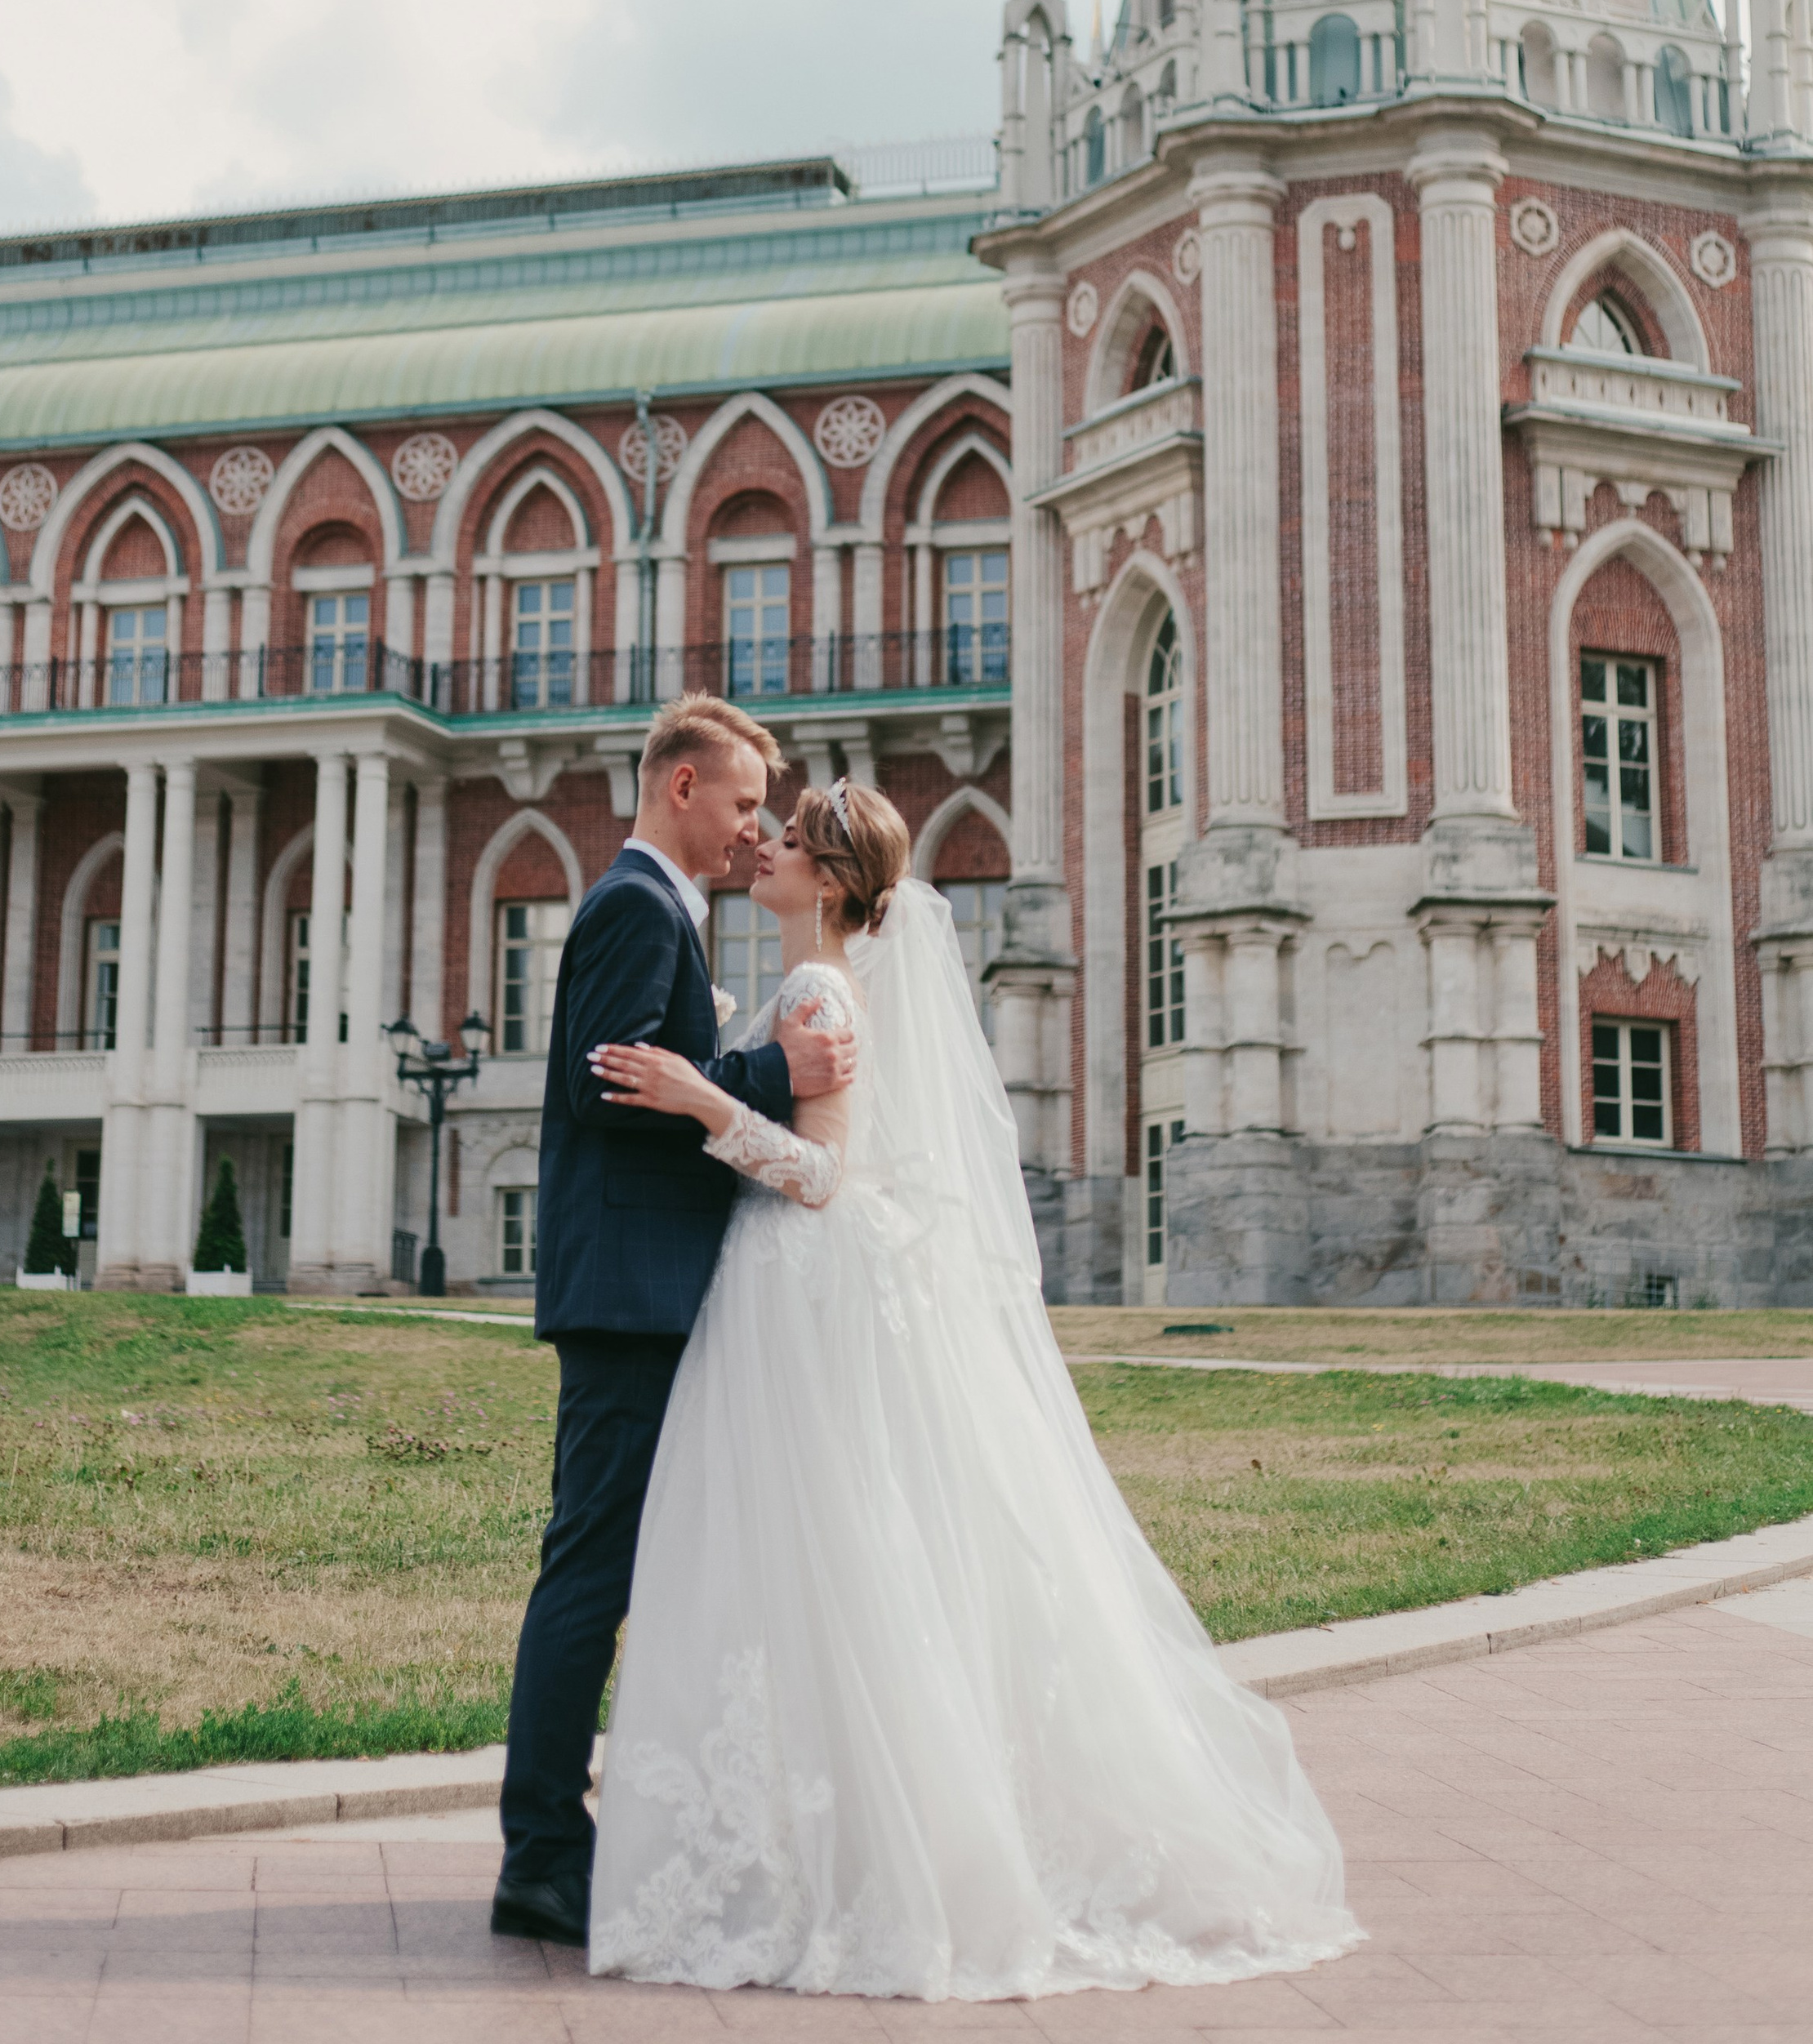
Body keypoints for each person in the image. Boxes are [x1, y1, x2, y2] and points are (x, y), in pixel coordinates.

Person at [584, 777, 1360, 2001]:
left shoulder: (822, 988)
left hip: (804, 1287)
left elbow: (823, 1173)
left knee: (821, 1558)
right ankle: (825, 1830)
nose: (764, 851)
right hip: (797, 1295)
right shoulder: (819, 987)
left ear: (831, 883)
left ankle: (841, 1850)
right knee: (818, 1559)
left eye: (785, 842)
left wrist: (703, 1096)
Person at [492, 694, 858, 1948]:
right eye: (747, 802)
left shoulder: (662, 909)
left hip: (649, 1290)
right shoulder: (638, 905)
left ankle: (577, 1837)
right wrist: (768, 1077)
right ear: (684, 787)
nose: (755, 829)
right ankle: (542, 1851)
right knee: (588, 1570)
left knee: (612, 1569)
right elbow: (613, 1084)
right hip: (627, 1297)